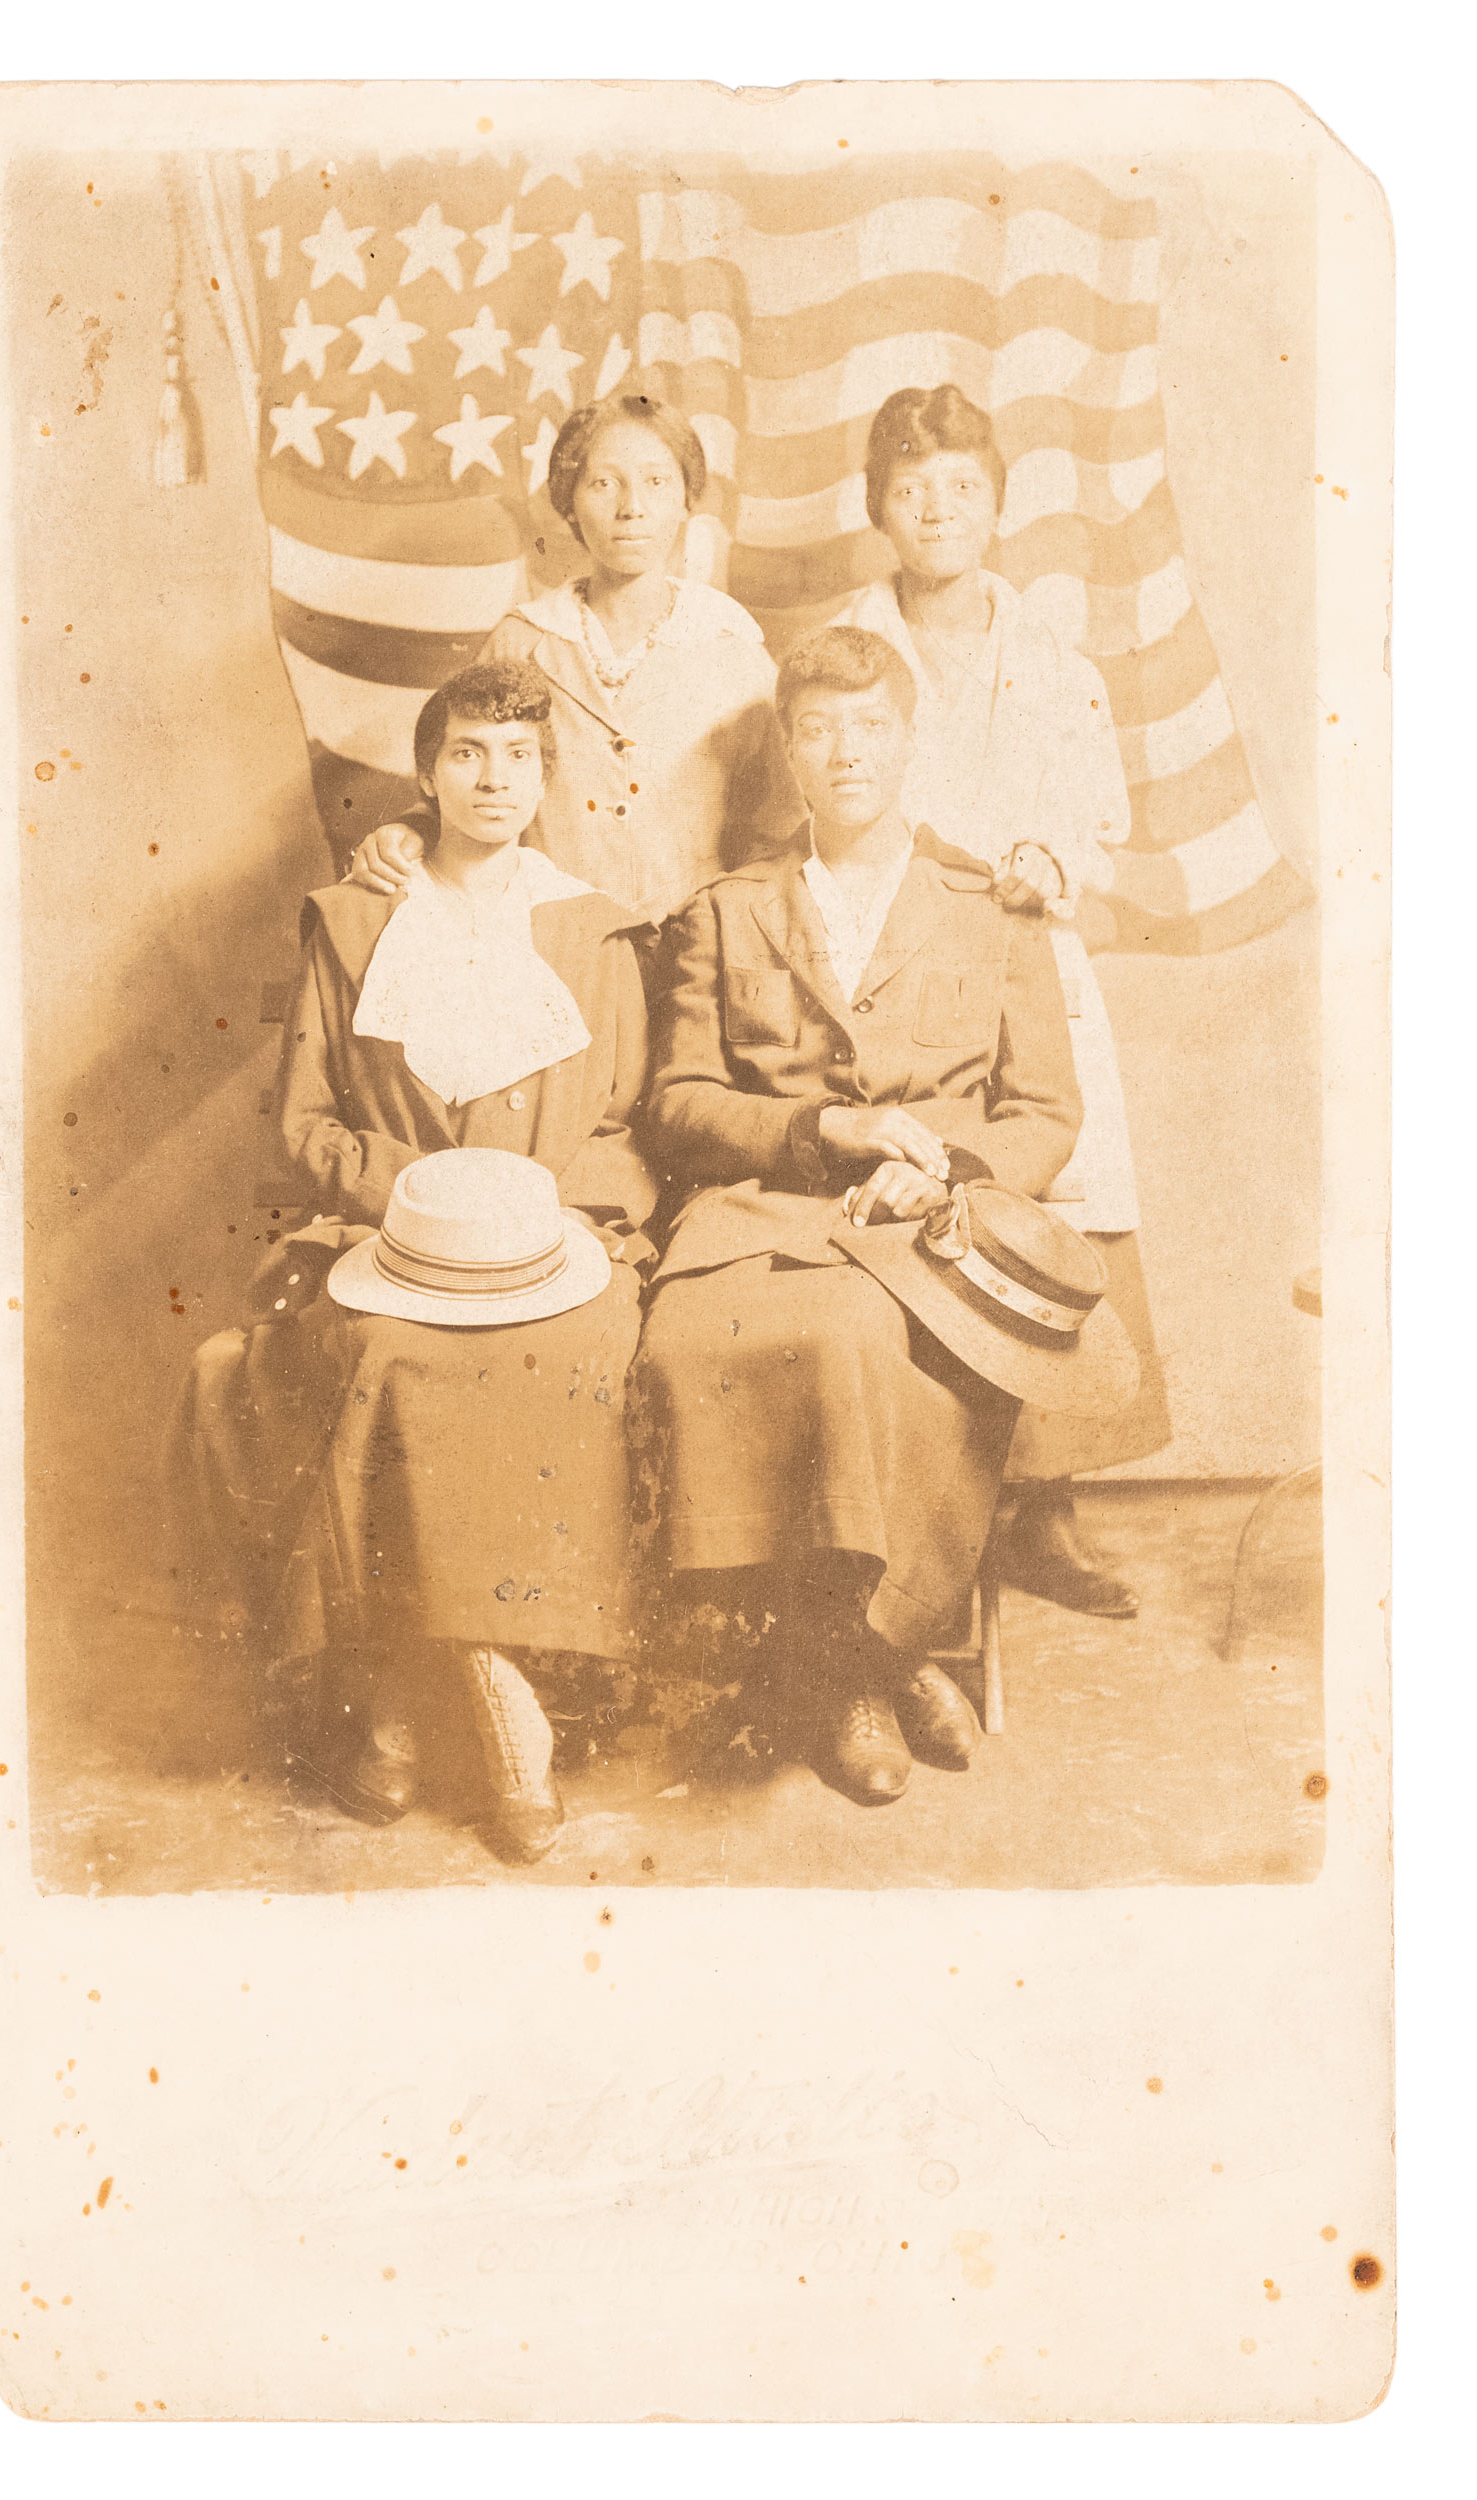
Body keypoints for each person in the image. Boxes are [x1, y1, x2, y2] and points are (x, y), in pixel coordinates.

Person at [172, 661, 657, 1866]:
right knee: (386, 1352)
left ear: (546, 778)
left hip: (556, 1245)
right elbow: (303, 1125)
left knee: (575, 1350)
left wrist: (540, 1212)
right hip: (385, 1245)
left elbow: (623, 1126)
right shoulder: (351, 919)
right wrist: (428, 1201)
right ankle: (501, 1716)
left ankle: (398, 1698)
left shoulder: (590, 929)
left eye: (519, 758)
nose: (494, 782)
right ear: (426, 773)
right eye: (466, 755)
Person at [630, 626, 1085, 1806]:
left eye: (869, 726)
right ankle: (868, 1662)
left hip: (929, 1234)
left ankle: (847, 1665)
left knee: (860, 1339)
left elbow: (1042, 1111)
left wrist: (949, 1171)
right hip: (753, 1213)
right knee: (695, 1347)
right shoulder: (726, 910)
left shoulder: (990, 905)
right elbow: (676, 1103)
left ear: (907, 741)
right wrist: (817, 1134)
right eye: (819, 729)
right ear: (786, 747)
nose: (844, 753)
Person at [832, 384, 1172, 1616]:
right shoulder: (846, 651)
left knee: (1050, 1198)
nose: (935, 509)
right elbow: (818, 796)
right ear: (878, 506)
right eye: (910, 488)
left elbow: (1098, 824)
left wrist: (1050, 866)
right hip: (902, 960)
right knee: (919, 1196)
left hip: (1028, 954)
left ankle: (1046, 1509)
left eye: (959, 487)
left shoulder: (1052, 661)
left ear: (992, 504)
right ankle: (934, 1511)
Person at [343, 392, 802, 930]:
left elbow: (784, 821)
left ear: (686, 500)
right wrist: (413, 830)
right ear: (569, 504)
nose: (631, 507)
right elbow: (468, 784)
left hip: (701, 954)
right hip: (549, 943)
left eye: (656, 482)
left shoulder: (731, 648)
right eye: (603, 483)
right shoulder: (523, 642)